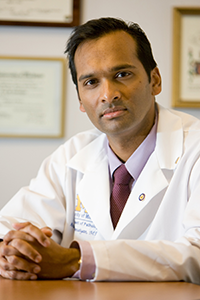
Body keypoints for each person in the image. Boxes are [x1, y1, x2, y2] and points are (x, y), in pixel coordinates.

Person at [1, 17, 200, 284]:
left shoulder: (195, 149)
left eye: (122, 74)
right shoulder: (72, 154)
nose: (108, 94)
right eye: (91, 82)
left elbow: (196, 255)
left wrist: (76, 261)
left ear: (154, 80)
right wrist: (13, 251)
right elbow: (12, 226)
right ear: (81, 100)